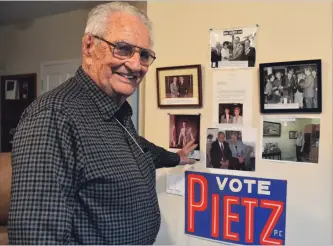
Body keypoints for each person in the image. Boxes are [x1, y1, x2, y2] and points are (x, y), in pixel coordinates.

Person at [8, 2, 197, 245]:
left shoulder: (115, 113)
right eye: (122, 48)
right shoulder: (53, 117)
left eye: (144, 55)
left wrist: (176, 157)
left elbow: (142, 149)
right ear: (89, 46)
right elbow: (36, 238)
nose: (135, 64)